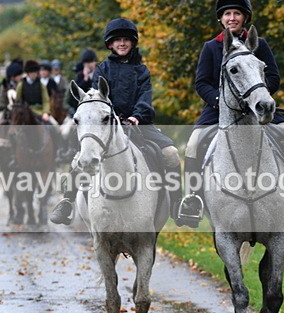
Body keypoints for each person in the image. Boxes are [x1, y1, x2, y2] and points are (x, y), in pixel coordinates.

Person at [176, 0, 284, 227]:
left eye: (237, 14)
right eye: (227, 14)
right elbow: (201, 82)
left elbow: (273, 76)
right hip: (218, 110)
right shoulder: (211, 47)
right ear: (221, 19)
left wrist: (256, 97)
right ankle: (193, 198)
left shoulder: (259, 44)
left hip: (259, 108)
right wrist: (220, 101)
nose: (232, 18)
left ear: (245, 18)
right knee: (194, 144)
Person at [49, 18, 184, 226]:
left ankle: (177, 204)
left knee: (171, 153)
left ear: (133, 43)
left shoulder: (142, 71)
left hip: (138, 124)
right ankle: (67, 201)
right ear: (110, 44)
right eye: (117, 40)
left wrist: (136, 116)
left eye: (126, 40)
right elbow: (95, 99)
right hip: (107, 125)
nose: (122, 43)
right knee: (80, 156)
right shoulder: (103, 69)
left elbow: (145, 98)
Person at [66, 49, 98, 116]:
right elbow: (76, 92)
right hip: (82, 108)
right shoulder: (80, 75)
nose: (89, 65)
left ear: (95, 62)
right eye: (86, 63)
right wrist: (85, 79)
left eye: (91, 62)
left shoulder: (100, 73)